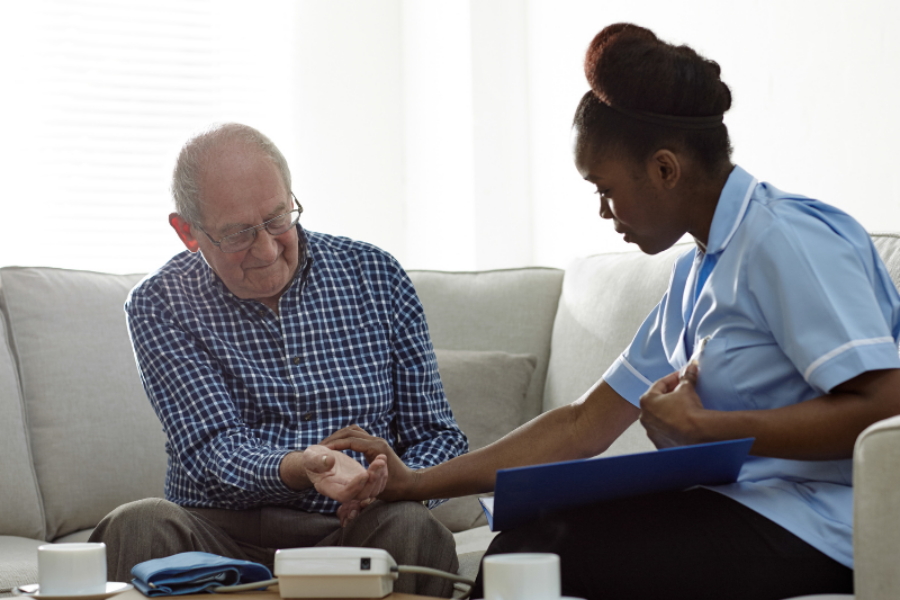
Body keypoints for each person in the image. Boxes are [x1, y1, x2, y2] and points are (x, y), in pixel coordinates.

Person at [324, 23, 900, 600]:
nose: (603, 211)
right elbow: (581, 424)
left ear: (665, 169)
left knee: (535, 552)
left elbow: (885, 401)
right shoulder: (697, 272)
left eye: (604, 188)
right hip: (747, 510)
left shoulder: (786, 239)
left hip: (824, 528)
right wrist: (413, 483)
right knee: (527, 538)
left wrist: (713, 429)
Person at [89, 123, 468, 598]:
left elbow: (438, 437)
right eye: (237, 235)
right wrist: (299, 466)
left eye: (277, 219)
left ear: (291, 197)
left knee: (412, 527)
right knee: (137, 525)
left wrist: (389, 484)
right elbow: (211, 452)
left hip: (355, 529)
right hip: (220, 534)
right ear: (188, 231)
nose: (266, 250)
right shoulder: (159, 302)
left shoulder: (377, 275)